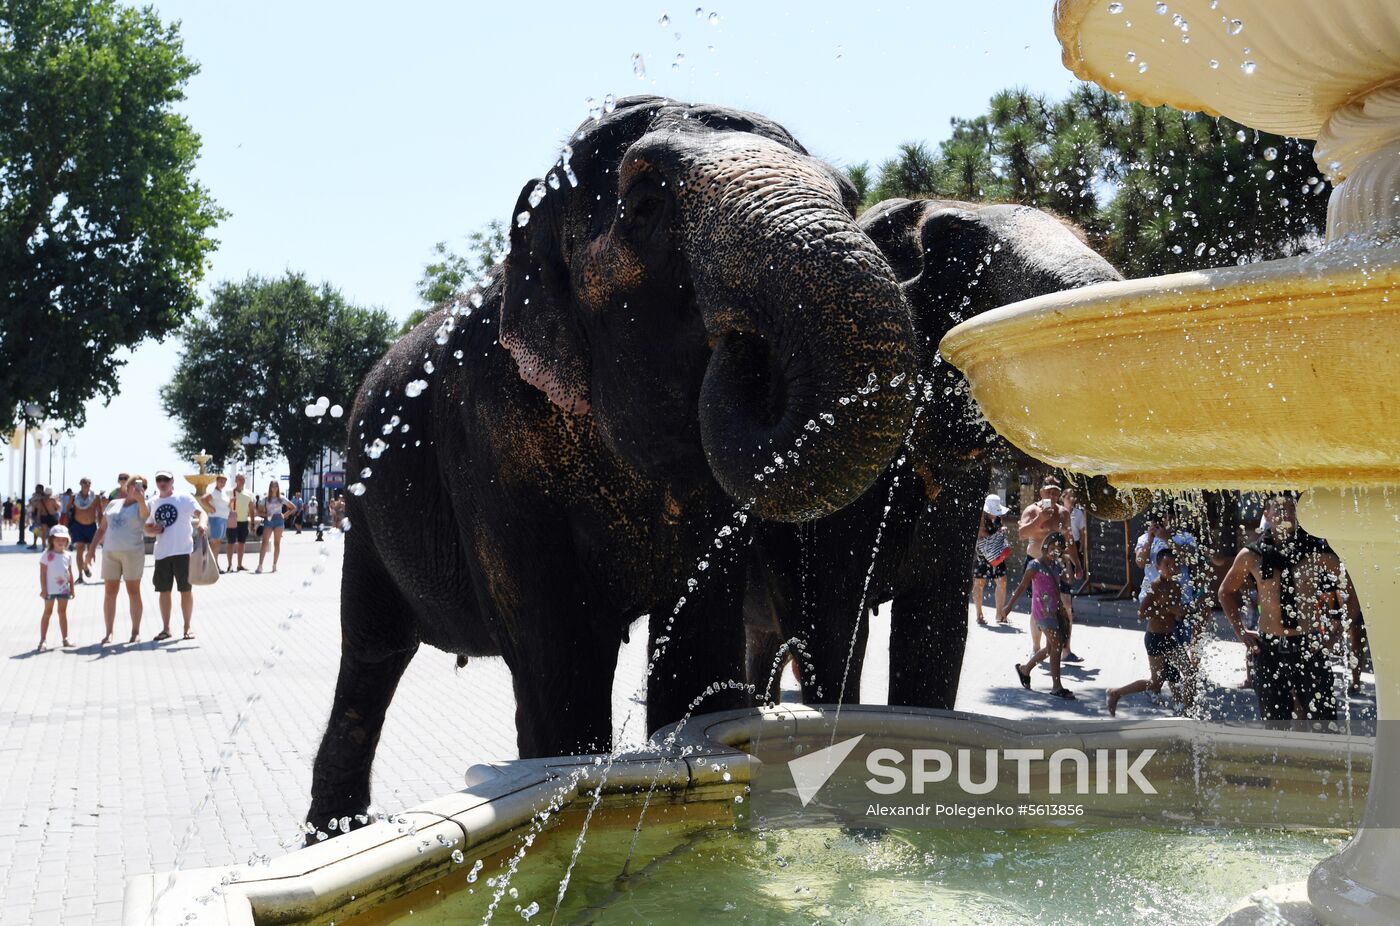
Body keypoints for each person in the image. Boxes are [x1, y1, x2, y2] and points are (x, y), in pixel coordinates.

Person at [1219, 494, 1358, 729]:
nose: (1284, 515)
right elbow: (1225, 591)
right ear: (1267, 515)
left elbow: (1352, 593)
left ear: (1298, 515)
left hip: (1309, 646)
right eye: (1278, 510)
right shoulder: (1252, 555)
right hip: (1269, 648)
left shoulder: (1318, 552)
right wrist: (1240, 631)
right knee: (1276, 723)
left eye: (1290, 510)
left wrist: (1338, 631)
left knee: (1323, 721)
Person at [1107, 547, 1197, 716]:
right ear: (1158, 568)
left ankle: (1187, 711)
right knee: (1155, 683)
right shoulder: (1156, 586)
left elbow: (1175, 613)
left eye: (1175, 564)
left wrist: (1181, 613)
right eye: (1167, 565)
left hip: (1169, 636)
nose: (1172, 568)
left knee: (1188, 673)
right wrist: (1168, 610)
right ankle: (1116, 693)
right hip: (1154, 637)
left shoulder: (1176, 586)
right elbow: (1142, 613)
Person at [1001, 531, 1075, 699]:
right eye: (1052, 547)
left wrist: (1069, 561)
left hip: (1054, 611)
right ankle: (1057, 686)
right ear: (1046, 546)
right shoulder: (1035, 565)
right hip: (1041, 612)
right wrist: (1008, 607)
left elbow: (1069, 581)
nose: (1054, 551)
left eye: (1059, 550)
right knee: (1056, 644)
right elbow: (1022, 586)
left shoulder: (1057, 566)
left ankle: (1024, 669)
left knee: (1050, 648)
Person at [1018, 476, 1083, 656]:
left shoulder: (1063, 513)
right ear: (1041, 493)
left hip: (1059, 564)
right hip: (1036, 562)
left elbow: (1069, 541)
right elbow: (1022, 533)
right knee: (1037, 606)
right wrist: (1040, 519)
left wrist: (1077, 564)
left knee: (1066, 604)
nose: (1052, 494)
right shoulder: (1032, 510)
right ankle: (1036, 648)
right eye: (1048, 491)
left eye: (1055, 491)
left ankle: (1066, 649)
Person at [144, 470, 208, 642]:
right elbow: (146, 528)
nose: (162, 482)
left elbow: (202, 513)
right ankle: (166, 629)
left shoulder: (184, 498)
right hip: (162, 553)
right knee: (163, 591)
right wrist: (152, 530)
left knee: (185, 590)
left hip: (183, 551)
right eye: (159, 479)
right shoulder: (152, 502)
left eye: (166, 479)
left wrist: (202, 525)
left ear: (172, 481)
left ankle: (187, 628)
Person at [89, 474, 150, 644]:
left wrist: (141, 500)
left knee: (133, 591)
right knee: (110, 592)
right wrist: (92, 548)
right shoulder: (113, 504)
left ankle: (135, 631)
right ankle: (109, 632)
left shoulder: (142, 505)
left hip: (132, 553)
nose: (138, 489)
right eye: (135, 486)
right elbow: (101, 528)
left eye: (143, 486)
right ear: (126, 487)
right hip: (110, 553)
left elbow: (145, 516)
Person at [973, 493, 1012, 626]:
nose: (995, 514)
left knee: (1002, 582)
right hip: (983, 555)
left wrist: (1002, 529)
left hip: (996, 554)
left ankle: (999, 613)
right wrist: (996, 534)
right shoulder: (981, 518)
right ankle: (979, 614)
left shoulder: (998, 518)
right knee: (979, 583)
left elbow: (999, 528)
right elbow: (979, 533)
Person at [37, 524, 76, 651]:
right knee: (47, 612)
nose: (61, 542)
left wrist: (72, 588)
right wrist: (44, 589)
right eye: (58, 539)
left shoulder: (68, 555)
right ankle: (43, 640)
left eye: (63, 539)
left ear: (67, 540)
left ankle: (65, 638)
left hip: (64, 589)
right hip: (50, 589)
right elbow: (42, 573)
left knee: (62, 612)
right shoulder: (46, 555)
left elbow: (70, 572)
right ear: (51, 540)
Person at [66, 477, 102, 584]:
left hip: (91, 526)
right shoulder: (74, 497)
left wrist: (101, 526)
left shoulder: (95, 497)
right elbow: (67, 511)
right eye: (84, 482)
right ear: (80, 484)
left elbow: (99, 512)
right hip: (78, 526)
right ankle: (80, 576)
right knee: (79, 550)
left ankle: (85, 566)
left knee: (91, 550)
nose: (86, 484)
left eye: (88, 483)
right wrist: (67, 526)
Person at [256, 480, 296, 573]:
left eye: (276, 486)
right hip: (268, 520)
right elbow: (259, 511)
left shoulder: (281, 498)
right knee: (264, 542)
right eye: (272, 486)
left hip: (279, 520)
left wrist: (284, 515)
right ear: (270, 487)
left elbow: (293, 507)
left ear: (278, 488)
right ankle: (260, 565)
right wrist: (266, 515)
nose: (274, 488)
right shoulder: (265, 498)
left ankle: (274, 565)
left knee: (277, 543)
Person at [225, 473, 255, 572]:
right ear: (235, 480)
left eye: (243, 479)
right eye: (240, 479)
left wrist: (253, 523)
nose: (242, 481)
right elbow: (224, 506)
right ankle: (229, 565)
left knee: (242, 543)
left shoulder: (249, 493)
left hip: (244, 521)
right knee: (231, 543)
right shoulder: (229, 492)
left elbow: (251, 510)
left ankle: (239, 565)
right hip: (233, 521)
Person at [200, 474, 230, 568]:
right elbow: (203, 499)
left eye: (224, 481)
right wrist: (211, 508)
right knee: (215, 541)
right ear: (216, 481)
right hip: (216, 518)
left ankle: (214, 563)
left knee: (218, 542)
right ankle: (212, 564)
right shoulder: (214, 493)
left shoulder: (223, 493)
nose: (222, 483)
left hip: (223, 518)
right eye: (221, 481)